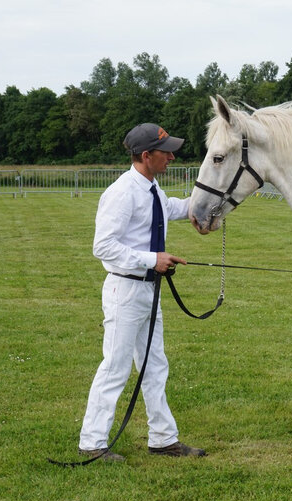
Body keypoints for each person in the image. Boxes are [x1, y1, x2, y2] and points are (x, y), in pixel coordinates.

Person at [78, 123, 204, 461]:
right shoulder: (122, 192)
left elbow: (169, 209)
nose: (172, 157)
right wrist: (153, 259)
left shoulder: (151, 187)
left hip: (149, 290)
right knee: (116, 366)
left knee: (155, 365)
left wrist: (205, 203)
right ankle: (92, 442)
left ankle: (163, 439)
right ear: (146, 155)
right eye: (165, 152)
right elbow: (102, 246)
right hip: (126, 290)